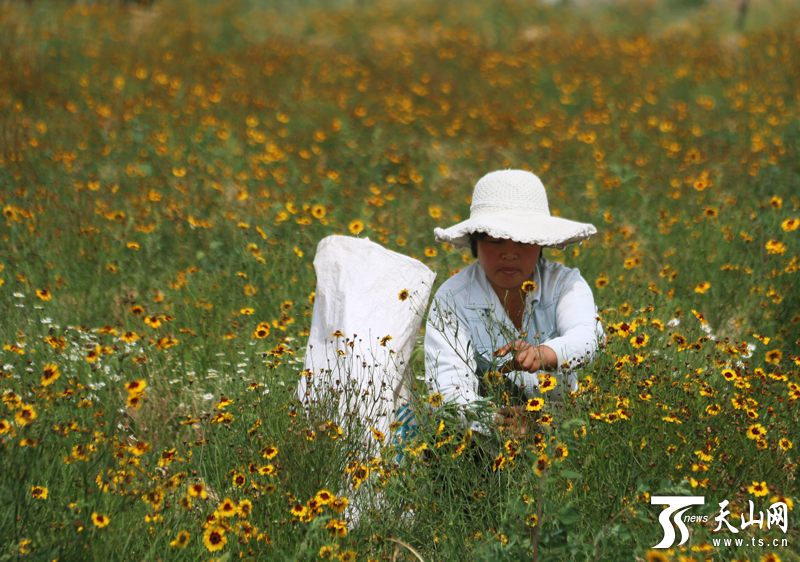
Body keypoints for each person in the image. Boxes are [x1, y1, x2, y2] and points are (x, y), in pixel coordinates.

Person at [424, 169, 604, 438]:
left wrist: (544, 354)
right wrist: (497, 422)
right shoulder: (452, 298)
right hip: (477, 443)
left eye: (522, 240)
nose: (509, 254)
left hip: (563, 433)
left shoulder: (564, 284)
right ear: (475, 242)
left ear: (540, 242)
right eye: (496, 240)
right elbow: (447, 388)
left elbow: (589, 337)